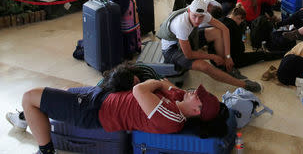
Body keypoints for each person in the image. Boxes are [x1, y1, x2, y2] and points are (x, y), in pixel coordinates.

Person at [17, 62, 221, 154]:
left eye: (198, 97)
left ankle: (46, 151)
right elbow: (163, 83)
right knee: (61, 90)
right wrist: (160, 84)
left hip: (92, 111)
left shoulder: (172, 117)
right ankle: (24, 118)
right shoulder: (178, 99)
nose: (194, 92)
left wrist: (156, 84)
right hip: (102, 97)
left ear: (196, 112)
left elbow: (141, 90)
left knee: (29, 98)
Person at [157, 0, 262, 92]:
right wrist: (212, 56)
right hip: (172, 49)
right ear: (189, 11)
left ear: (205, 13)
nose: (197, 20)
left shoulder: (202, 14)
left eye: (201, 17)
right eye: (194, 16)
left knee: (217, 32)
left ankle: (225, 67)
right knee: (204, 66)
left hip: (188, 38)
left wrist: (228, 56)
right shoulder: (181, 24)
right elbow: (189, 55)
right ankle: (244, 84)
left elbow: (224, 29)